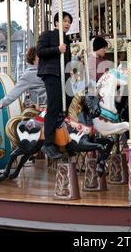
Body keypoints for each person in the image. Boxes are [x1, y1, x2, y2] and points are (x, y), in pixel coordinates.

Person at [37, 11, 74, 160]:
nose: (67, 24)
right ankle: (48, 143)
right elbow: (40, 51)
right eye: (64, 21)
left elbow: (66, 60)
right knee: (53, 106)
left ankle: (62, 133)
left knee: (69, 100)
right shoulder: (48, 35)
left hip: (62, 75)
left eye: (69, 22)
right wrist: (57, 49)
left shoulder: (67, 40)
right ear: (56, 23)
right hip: (51, 74)